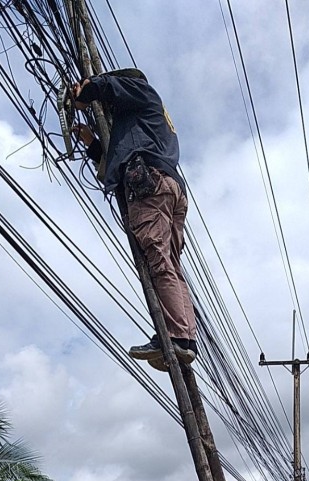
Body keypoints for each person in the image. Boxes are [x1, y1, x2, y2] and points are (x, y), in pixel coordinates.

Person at [73, 68, 197, 370]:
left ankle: (178, 337)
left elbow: (108, 87)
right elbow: (115, 157)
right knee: (168, 263)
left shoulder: (142, 93)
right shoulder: (142, 121)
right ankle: (185, 338)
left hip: (149, 183)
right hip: (167, 185)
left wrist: (87, 92)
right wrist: (91, 142)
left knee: (158, 261)